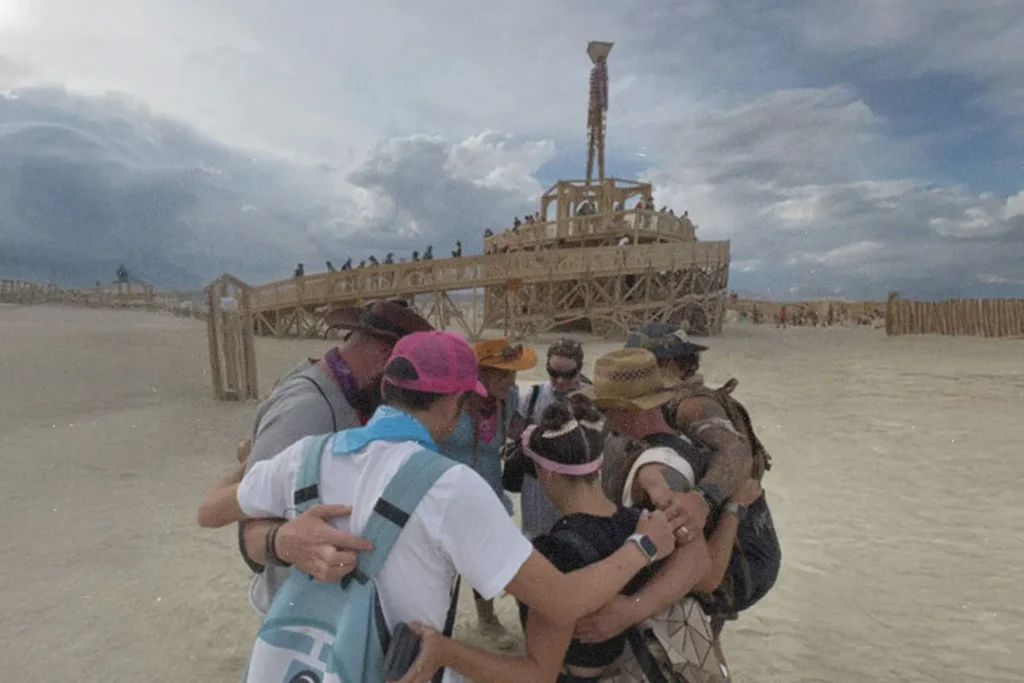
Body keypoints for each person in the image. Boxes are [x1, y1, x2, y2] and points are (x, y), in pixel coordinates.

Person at [218, 331, 678, 683]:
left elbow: (208, 512)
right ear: (456, 402)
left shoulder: (312, 453)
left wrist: (275, 531)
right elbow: (561, 604)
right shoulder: (451, 487)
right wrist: (644, 543)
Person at [398, 394, 716, 683]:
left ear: (546, 474)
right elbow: (700, 563)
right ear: (600, 463)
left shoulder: (556, 553)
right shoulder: (642, 523)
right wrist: (633, 608)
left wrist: (446, 652)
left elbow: (538, 674)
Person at [236, 300, 434, 614]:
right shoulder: (308, 407)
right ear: (386, 356)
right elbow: (251, 525)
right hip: (297, 612)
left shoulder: (339, 392)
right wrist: (285, 542)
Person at [623, 324, 779, 635]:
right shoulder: (692, 399)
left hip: (738, 564)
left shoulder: (689, 405)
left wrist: (702, 500)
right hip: (751, 548)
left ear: (665, 366)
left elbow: (736, 450)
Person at [437, 337, 536, 643]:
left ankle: (487, 618)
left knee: (486, 559)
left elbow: (513, 433)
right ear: (478, 372)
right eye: (503, 374)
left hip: (488, 490)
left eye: (513, 374)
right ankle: (436, 621)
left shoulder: (508, 399)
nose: (511, 381)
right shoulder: (449, 401)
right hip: (447, 493)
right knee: (441, 565)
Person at [517, 338, 591, 540]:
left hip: (576, 484)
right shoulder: (534, 395)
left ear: (579, 369)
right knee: (536, 541)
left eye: (568, 375)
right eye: (553, 373)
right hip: (537, 485)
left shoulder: (592, 399)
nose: (560, 381)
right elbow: (512, 432)